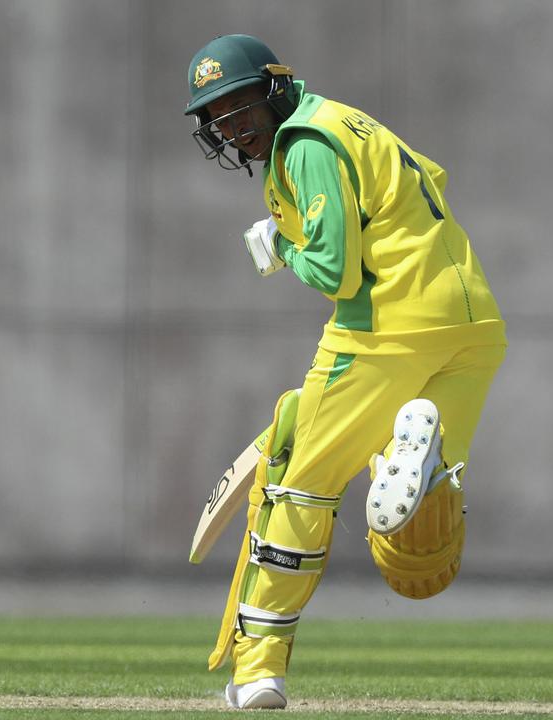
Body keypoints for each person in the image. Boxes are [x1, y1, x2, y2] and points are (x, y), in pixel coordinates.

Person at [184, 35, 507, 709]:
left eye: (242, 106)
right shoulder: (349, 120)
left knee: (299, 487)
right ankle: (405, 449)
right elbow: (430, 185)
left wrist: (281, 246)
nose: (234, 128)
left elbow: (336, 269)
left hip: (384, 326)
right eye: (219, 117)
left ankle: (259, 672)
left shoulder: (303, 145)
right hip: (472, 322)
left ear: (275, 91)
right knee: (426, 528)